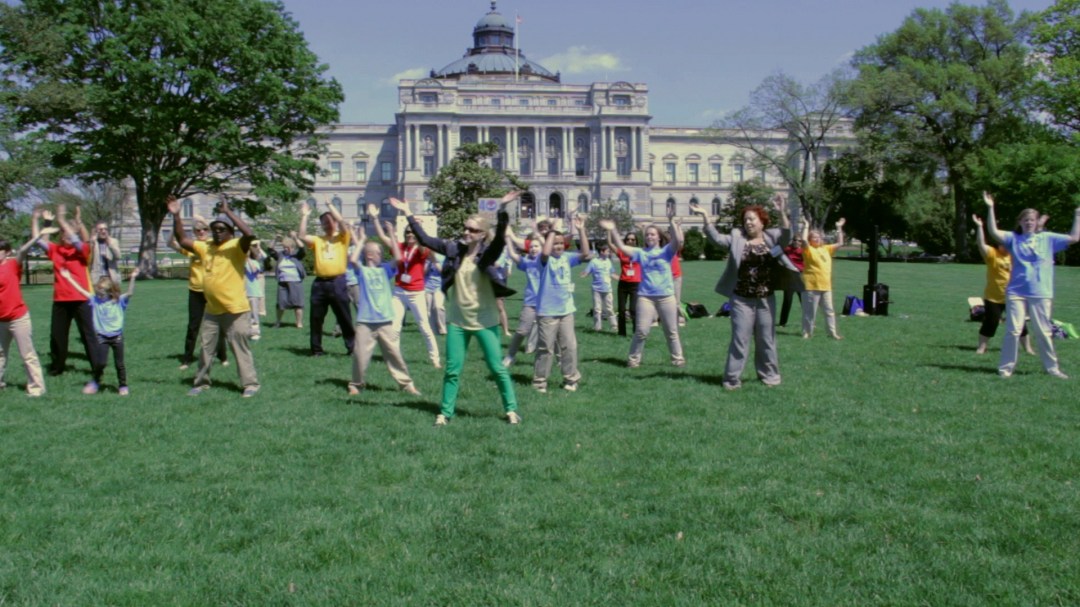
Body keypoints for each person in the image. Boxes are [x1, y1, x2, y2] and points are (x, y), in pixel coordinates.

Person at [391, 192, 521, 426]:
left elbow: (501, 238)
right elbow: (426, 239)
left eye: (472, 230)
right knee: (452, 370)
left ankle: (511, 410)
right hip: (458, 321)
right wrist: (408, 213)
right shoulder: (453, 250)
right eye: (465, 228)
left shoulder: (487, 253)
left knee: (496, 368)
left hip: (485, 320)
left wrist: (502, 208)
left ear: (482, 235)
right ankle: (445, 413)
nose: (466, 232)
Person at [691, 195, 797, 389]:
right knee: (740, 340)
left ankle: (770, 376)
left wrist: (782, 211)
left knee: (767, 339)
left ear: (762, 222)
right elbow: (716, 239)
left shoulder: (772, 238)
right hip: (741, 300)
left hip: (766, 299)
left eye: (752, 219)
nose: (748, 223)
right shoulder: (737, 239)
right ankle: (731, 380)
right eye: (745, 220)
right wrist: (706, 216)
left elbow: (787, 234)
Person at [168, 195, 260, 397]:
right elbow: (183, 239)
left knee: (239, 348)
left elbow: (249, 233)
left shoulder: (236, 246)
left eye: (222, 230)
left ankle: (250, 384)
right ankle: (201, 382)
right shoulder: (206, 246)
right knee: (206, 348)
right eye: (215, 229)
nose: (217, 233)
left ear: (230, 232)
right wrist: (176, 216)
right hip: (212, 310)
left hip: (235, 309)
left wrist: (227, 212)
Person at [981, 192, 1080, 379]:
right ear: (1020, 222)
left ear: (1036, 222)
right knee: (1013, 330)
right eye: (1025, 220)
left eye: (1032, 220)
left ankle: (1052, 368)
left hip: (1041, 292)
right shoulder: (1012, 239)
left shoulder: (1048, 238)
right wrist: (990, 207)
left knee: (1043, 331)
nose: (1029, 222)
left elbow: (1074, 237)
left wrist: (1077, 215)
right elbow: (993, 231)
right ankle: (1005, 369)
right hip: (1016, 291)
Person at [346, 216, 422, 396]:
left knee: (394, 354)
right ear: (370, 255)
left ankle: (406, 383)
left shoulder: (385, 270)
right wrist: (362, 241)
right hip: (365, 321)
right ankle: (355, 384)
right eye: (380, 252)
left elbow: (398, 257)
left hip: (385, 320)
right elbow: (354, 260)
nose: (382, 255)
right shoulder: (363, 271)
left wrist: (392, 235)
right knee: (360, 355)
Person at [602, 206, 685, 368]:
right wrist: (613, 230)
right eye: (647, 234)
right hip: (645, 297)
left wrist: (671, 222)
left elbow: (678, 241)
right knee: (641, 331)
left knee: (671, 331)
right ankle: (633, 360)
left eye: (652, 234)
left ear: (659, 237)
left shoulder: (666, 251)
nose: (649, 236)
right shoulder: (641, 253)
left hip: (666, 296)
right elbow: (622, 247)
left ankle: (678, 359)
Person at [32, 205, 95, 376]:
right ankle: (57, 367)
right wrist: (39, 220)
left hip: (81, 299)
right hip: (60, 300)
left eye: (69, 233)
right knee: (57, 337)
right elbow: (38, 240)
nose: (67, 235)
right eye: (64, 233)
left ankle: (97, 366)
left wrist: (61, 220)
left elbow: (77, 239)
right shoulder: (56, 250)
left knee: (88, 335)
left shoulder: (82, 251)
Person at [59, 266, 140, 395]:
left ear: (109, 291)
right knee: (100, 363)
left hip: (117, 337)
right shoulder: (95, 300)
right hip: (102, 337)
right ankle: (95, 382)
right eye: (98, 291)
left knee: (120, 364)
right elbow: (81, 290)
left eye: (102, 292)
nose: (99, 294)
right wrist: (69, 278)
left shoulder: (118, 301)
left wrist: (133, 278)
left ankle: (123, 385)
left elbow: (130, 293)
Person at [533, 215, 591, 393]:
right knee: (546, 348)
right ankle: (540, 381)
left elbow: (586, 254)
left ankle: (571, 379)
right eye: (554, 243)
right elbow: (544, 252)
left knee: (569, 346)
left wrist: (581, 229)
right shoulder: (544, 260)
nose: (557, 246)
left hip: (566, 310)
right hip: (547, 311)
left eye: (560, 243)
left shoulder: (567, 257)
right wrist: (552, 230)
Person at [0, 230, 56, 397]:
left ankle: (37, 388)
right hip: (0, 320)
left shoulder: (12, 265)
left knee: (27, 354)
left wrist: (38, 236)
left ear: (7, 252)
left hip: (18, 318)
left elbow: (23, 250)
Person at [170, 216, 227, 370]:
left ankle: (222, 356)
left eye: (204, 229)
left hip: (212, 290)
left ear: (208, 231)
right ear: (194, 233)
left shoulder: (213, 244)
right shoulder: (192, 247)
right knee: (193, 326)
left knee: (218, 324)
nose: (201, 232)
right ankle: (187, 359)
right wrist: (174, 225)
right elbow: (172, 244)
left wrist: (204, 219)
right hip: (195, 291)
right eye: (198, 230)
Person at [299, 200, 355, 357]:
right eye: (324, 222)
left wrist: (330, 206)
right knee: (316, 319)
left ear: (335, 223)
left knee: (344, 317)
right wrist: (304, 216)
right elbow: (302, 236)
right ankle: (316, 350)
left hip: (338, 282)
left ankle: (352, 348)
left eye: (330, 221)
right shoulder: (318, 240)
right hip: (320, 284)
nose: (328, 224)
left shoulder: (343, 237)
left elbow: (343, 222)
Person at [971, 213, 1033, 355]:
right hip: (993, 297)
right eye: (1001, 243)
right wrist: (980, 227)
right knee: (991, 323)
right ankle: (981, 347)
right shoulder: (992, 254)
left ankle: (1028, 349)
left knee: (1020, 324)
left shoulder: (1016, 254)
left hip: (1013, 296)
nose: (1004, 245)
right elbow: (981, 244)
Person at [390, 220, 441, 368]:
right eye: (407, 232)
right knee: (394, 327)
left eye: (413, 232)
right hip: (399, 290)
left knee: (424, 326)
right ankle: (395, 358)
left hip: (416, 292)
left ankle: (435, 359)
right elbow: (387, 241)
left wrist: (419, 233)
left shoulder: (422, 249)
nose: (410, 235)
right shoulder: (400, 247)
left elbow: (433, 258)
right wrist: (378, 222)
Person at [800, 218, 846, 340]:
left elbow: (840, 243)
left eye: (819, 237)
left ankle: (832, 333)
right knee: (810, 312)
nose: (817, 238)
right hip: (811, 285)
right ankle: (807, 333)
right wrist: (806, 226)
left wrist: (839, 228)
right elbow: (803, 240)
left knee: (829, 311)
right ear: (810, 239)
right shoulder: (808, 249)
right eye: (814, 237)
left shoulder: (826, 248)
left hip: (826, 286)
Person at [502, 233, 544, 367]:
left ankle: (560, 360)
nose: (533, 249)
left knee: (553, 334)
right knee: (521, 331)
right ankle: (510, 356)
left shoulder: (546, 261)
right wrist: (508, 239)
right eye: (531, 247)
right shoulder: (527, 262)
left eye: (536, 246)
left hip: (547, 303)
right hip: (531, 302)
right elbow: (514, 256)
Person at [267, 235, 306, 328]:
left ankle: (299, 323)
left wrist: (296, 237)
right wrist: (275, 239)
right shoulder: (281, 255)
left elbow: (302, 248)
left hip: (295, 282)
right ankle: (277, 322)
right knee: (281, 303)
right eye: (284, 247)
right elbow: (270, 249)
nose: (285, 249)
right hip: (282, 283)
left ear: (292, 247)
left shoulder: (297, 255)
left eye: (287, 247)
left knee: (298, 303)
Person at [581, 242, 618, 332]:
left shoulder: (609, 261)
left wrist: (621, 279)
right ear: (602, 252)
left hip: (607, 289)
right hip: (596, 290)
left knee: (610, 308)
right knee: (597, 309)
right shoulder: (594, 262)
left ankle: (614, 326)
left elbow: (612, 274)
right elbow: (586, 272)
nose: (609, 253)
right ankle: (597, 327)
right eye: (608, 251)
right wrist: (583, 274)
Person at [614, 230, 642, 337]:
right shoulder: (621, 251)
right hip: (623, 284)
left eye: (633, 239)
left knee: (633, 310)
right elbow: (610, 244)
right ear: (625, 241)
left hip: (635, 284)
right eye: (628, 239)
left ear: (636, 241)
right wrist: (609, 231)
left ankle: (636, 332)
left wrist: (643, 230)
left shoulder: (639, 252)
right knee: (621, 310)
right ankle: (621, 333)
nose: (630, 241)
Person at [777, 235, 805, 328]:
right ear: (792, 241)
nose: (797, 242)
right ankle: (782, 323)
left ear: (801, 242)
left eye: (799, 240)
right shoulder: (788, 249)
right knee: (787, 300)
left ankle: (808, 322)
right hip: (789, 278)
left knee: (804, 301)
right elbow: (775, 251)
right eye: (795, 240)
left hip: (800, 277)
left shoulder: (804, 251)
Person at [244, 241, 266, 341]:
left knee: (254, 314)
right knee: (244, 314)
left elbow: (254, 272)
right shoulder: (241, 263)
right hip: (243, 292)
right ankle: (245, 332)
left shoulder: (255, 262)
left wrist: (248, 259)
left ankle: (255, 332)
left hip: (253, 292)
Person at [88, 220, 121, 285]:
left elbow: (118, 256)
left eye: (105, 229)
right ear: (96, 231)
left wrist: (110, 244)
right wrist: (92, 243)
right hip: (97, 278)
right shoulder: (93, 242)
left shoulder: (114, 241)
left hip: (110, 277)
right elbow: (89, 259)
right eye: (100, 229)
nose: (103, 231)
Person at [423, 251, 446, 335]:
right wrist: (428, 262)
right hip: (426, 286)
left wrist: (434, 261)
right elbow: (423, 273)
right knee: (427, 310)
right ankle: (431, 330)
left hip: (439, 286)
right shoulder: (425, 256)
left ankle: (442, 329)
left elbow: (443, 272)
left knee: (438, 306)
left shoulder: (442, 256)